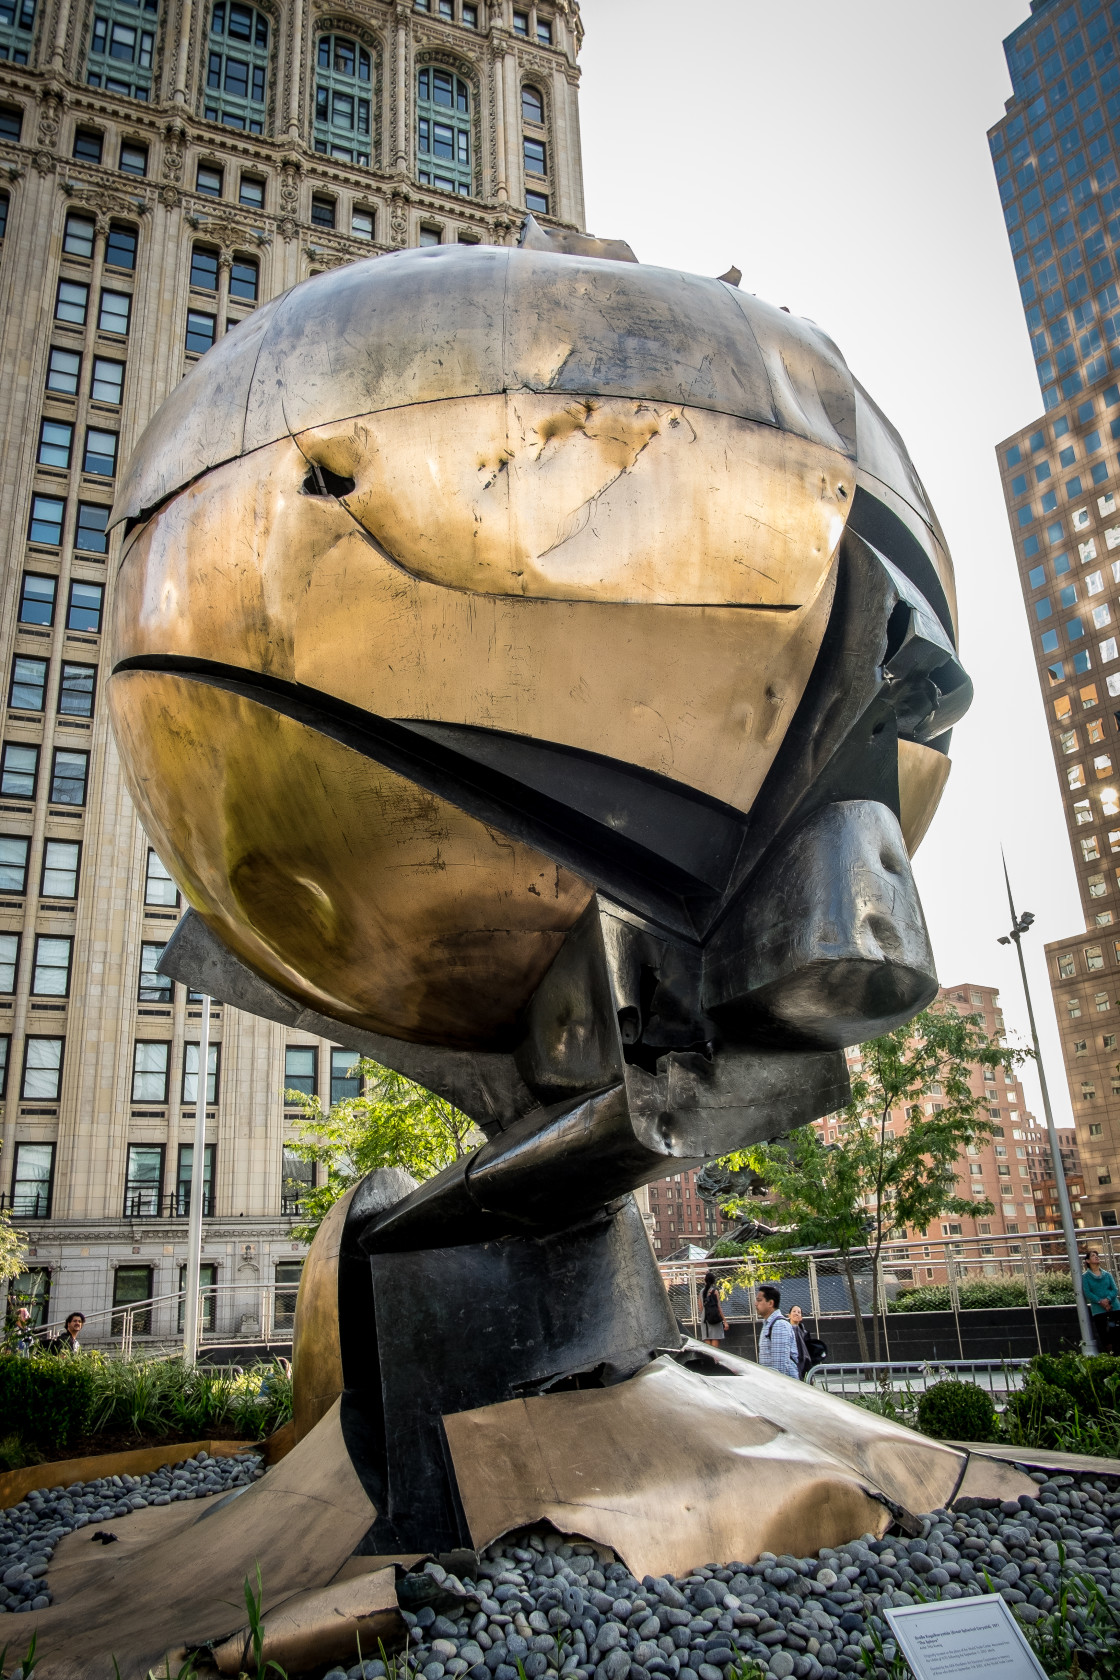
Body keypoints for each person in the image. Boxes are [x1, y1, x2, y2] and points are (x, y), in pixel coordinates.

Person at [755, 1284, 799, 1379]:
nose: (755, 1304)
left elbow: (780, 1367)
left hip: (781, 1386)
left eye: (759, 1300)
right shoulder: (768, 1323)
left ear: (770, 1303)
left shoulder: (779, 1325)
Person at [1082, 1250, 1120, 1351]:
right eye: (1093, 1256)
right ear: (1088, 1261)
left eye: (1097, 1255)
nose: (1096, 1257)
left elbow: (1114, 1289)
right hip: (1099, 1310)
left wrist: (1108, 1300)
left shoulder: (1107, 1274)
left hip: (1113, 1307)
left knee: (1115, 1330)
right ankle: (1109, 1354)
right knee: (1103, 1333)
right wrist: (1100, 1301)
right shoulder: (1085, 1277)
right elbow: (1088, 1292)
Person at [700, 1270, 728, 1346]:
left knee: (709, 1350)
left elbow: (701, 1308)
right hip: (715, 1320)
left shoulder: (701, 1292)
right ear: (713, 1281)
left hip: (705, 1321)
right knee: (715, 1351)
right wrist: (725, 1321)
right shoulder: (715, 1292)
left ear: (705, 1280)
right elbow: (718, 1307)